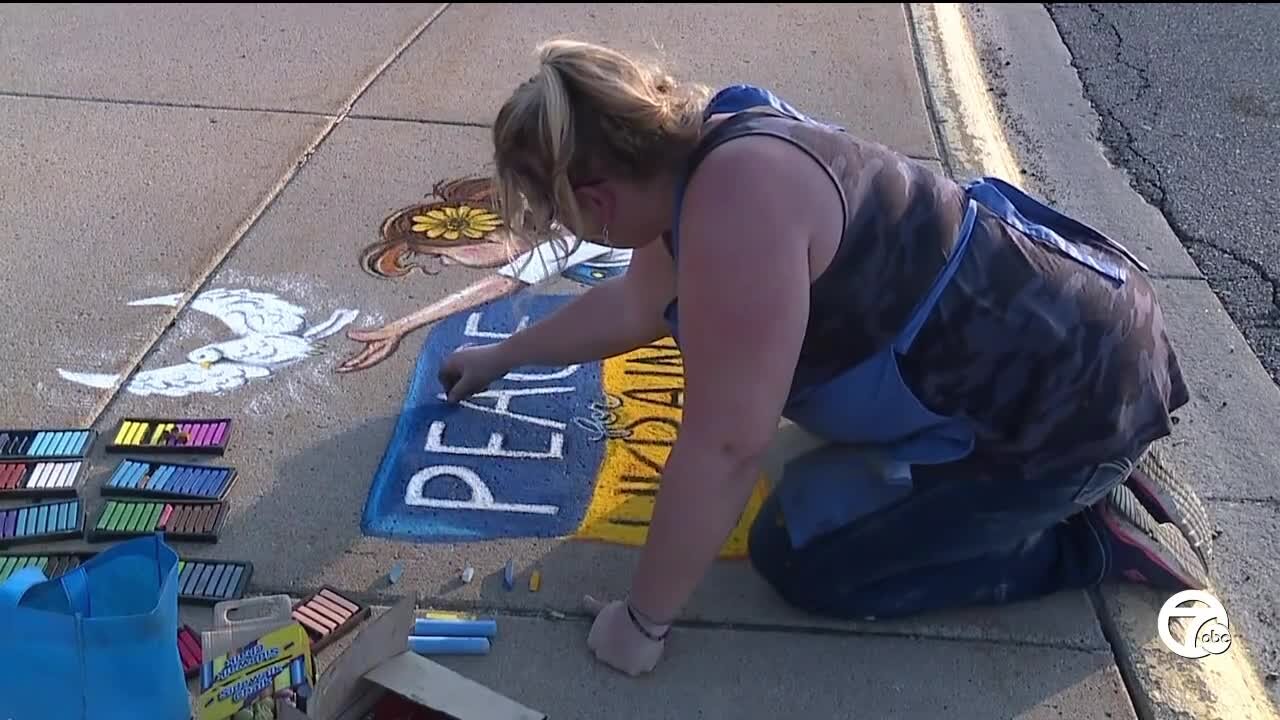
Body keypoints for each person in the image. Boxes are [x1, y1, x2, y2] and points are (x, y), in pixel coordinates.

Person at [435, 39, 1214, 676]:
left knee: (805, 557)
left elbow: (726, 445)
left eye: (557, 213)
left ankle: (1077, 539)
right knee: (823, 470)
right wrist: (503, 357)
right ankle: (1067, 465)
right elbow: (636, 307)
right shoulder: (712, 152)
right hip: (1072, 343)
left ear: (594, 198)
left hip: (1071, 399)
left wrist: (642, 620)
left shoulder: (737, 210)